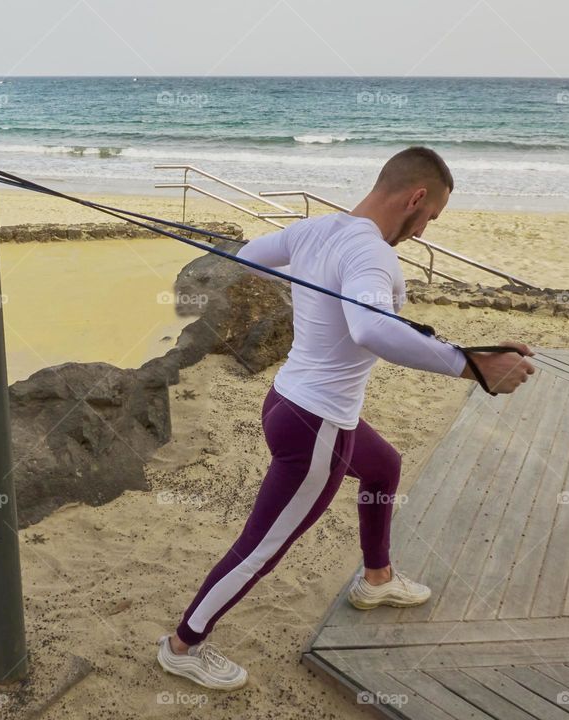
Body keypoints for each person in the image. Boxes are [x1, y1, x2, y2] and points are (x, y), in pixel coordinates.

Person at [156, 146, 535, 690]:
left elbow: (248, 258)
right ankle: (182, 645)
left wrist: (318, 280)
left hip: (285, 403)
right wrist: (473, 367)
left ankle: (376, 577)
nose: (425, 232)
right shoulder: (372, 255)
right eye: (429, 218)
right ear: (416, 196)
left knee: (383, 467)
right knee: (260, 547)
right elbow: (371, 330)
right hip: (317, 428)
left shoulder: (317, 230)